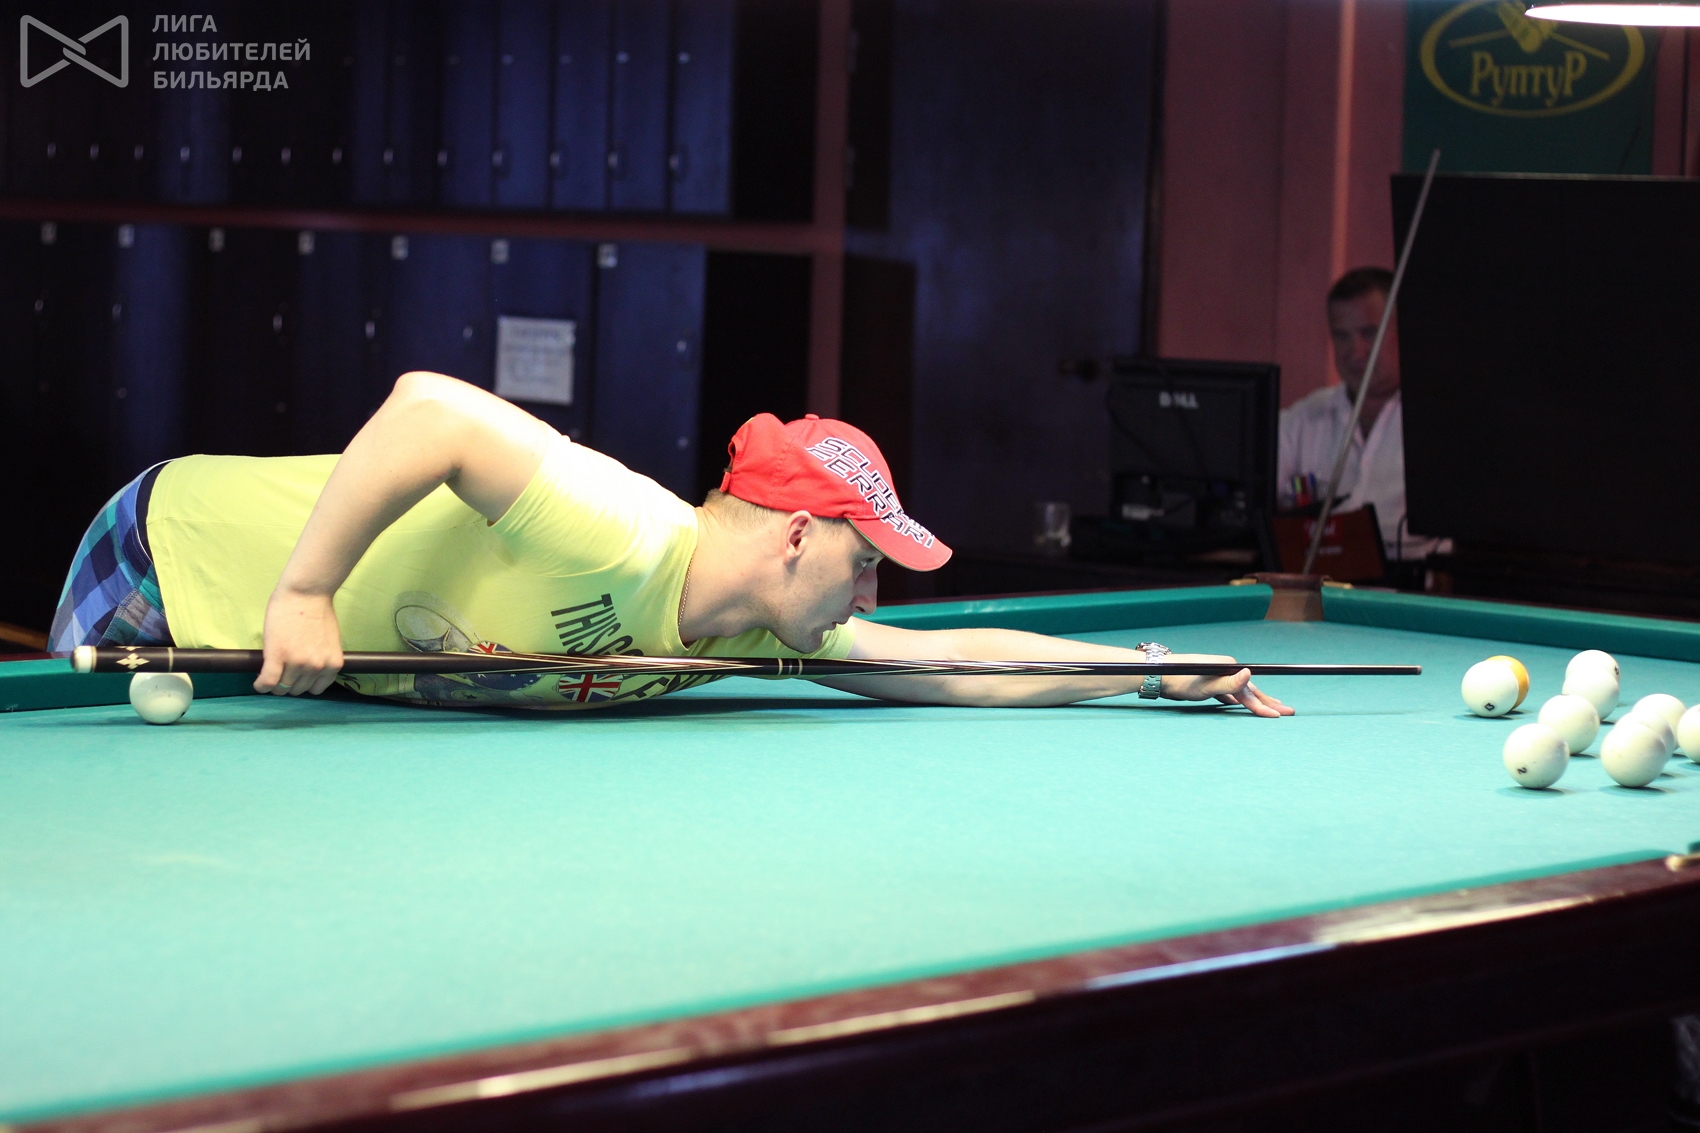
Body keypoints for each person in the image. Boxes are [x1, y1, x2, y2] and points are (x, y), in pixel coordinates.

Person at [50, 371, 1292, 717]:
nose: (870, 592)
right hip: (172, 559)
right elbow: (427, 407)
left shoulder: (755, 628)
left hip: (284, 660)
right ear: (797, 532)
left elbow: (950, 660)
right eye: (864, 560)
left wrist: (1143, 668)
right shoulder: (616, 524)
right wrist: (307, 589)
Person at [1277, 267, 1448, 564]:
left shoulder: (1440, 419)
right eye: (1341, 336)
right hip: (1321, 584)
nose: (1355, 352)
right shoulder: (1305, 418)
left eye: (1369, 333)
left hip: (1410, 585)